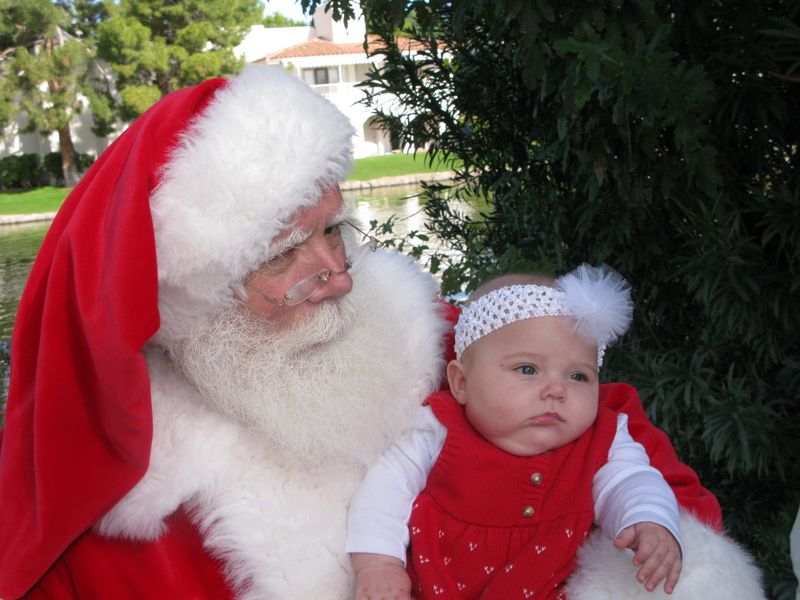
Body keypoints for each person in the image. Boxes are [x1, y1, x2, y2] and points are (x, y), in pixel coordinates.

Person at [0, 65, 763, 599]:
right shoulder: (115, 520)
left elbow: (608, 424)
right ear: (191, 298)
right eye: (282, 254)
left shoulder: (430, 336)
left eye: (335, 227)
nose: (336, 272)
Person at [348, 267, 684, 599]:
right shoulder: (439, 426)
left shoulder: (603, 439)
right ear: (462, 383)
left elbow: (632, 481)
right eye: (528, 369)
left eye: (579, 376)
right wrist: (378, 562)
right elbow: (387, 487)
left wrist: (649, 520)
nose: (556, 390)